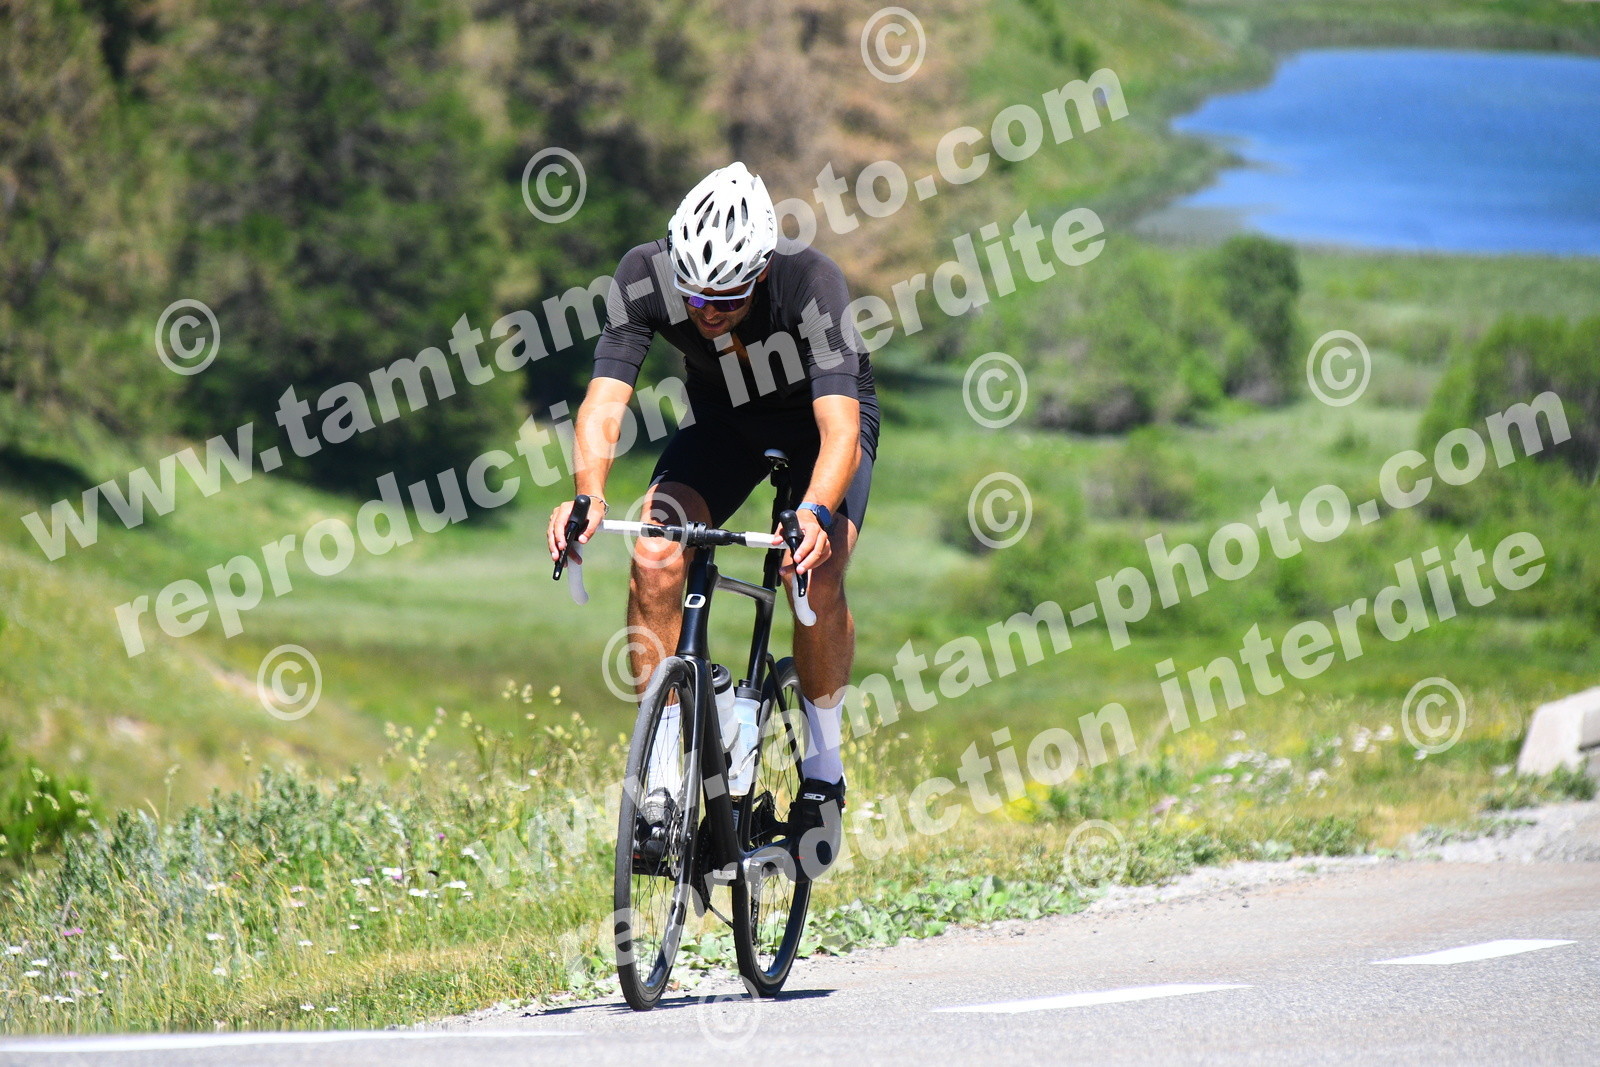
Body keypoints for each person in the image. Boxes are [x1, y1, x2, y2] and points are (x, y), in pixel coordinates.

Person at [546, 161, 879, 871]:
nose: (706, 312)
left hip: (820, 430)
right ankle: (664, 776)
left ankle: (823, 771)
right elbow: (605, 400)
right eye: (694, 294)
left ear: (761, 272)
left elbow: (841, 430)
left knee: (814, 575)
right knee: (654, 551)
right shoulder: (644, 273)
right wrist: (588, 494)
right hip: (725, 423)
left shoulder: (810, 282)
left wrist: (814, 512)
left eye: (725, 298)